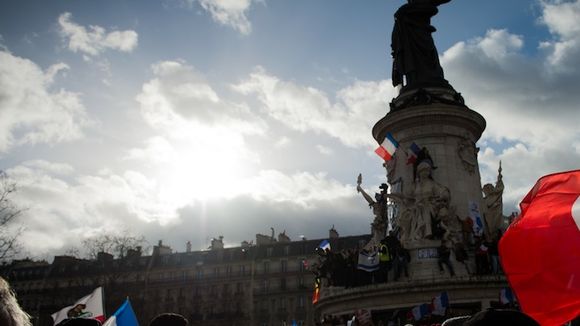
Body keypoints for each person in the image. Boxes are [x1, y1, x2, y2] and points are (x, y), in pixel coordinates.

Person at [391, 0, 452, 90]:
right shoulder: (403, 11)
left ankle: (424, 78)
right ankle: (415, 79)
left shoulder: (406, 10)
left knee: (424, 59)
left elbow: (431, 8)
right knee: (413, 59)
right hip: (409, 41)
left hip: (420, 37)